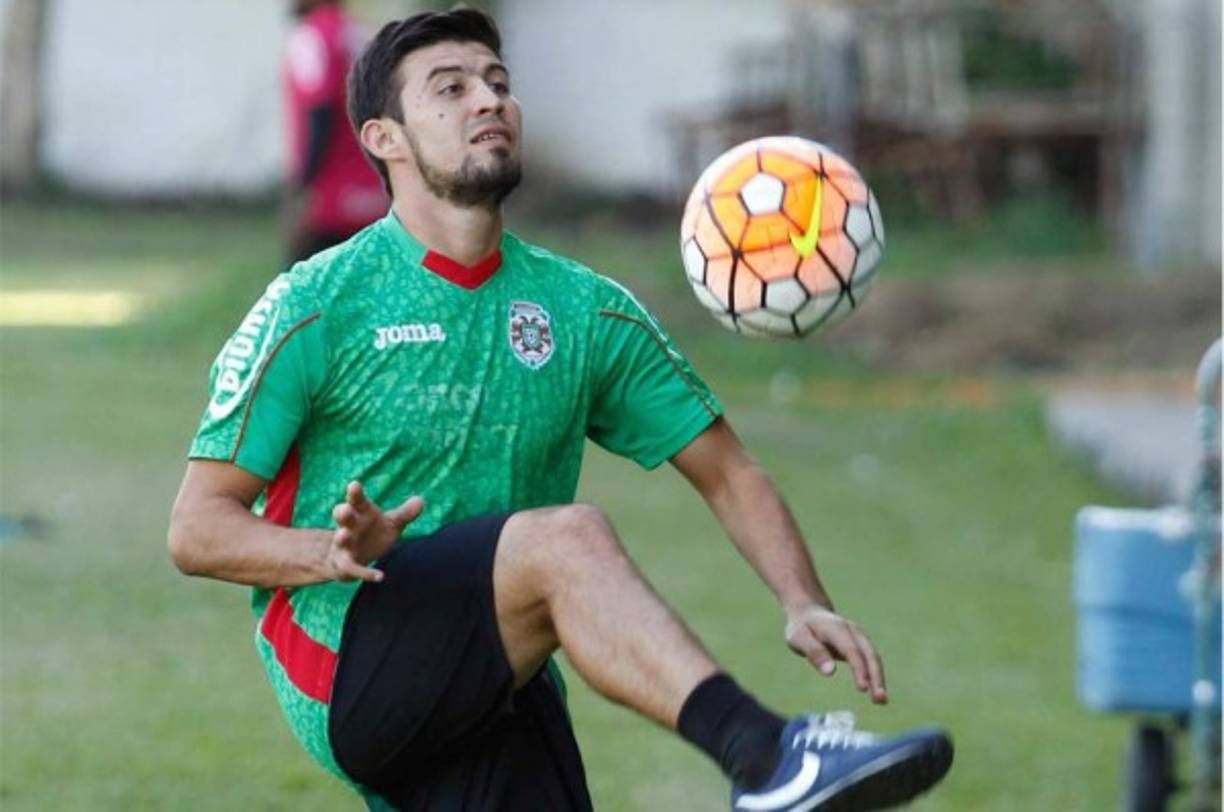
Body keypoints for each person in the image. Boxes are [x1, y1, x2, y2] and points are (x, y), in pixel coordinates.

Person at [169, 9, 953, 811]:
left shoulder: (580, 309)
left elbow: (727, 469)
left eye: (498, 83)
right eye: (451, 88)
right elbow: (196, 530)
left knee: (548, 577)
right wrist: (327, 553)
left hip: (502, 659)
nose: (489, 100)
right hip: (346, 653)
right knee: (565, 541)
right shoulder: (317, 302)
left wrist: (802, 598)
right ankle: (767, 756)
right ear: (384, 138)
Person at [284, 0, 388, 263]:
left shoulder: (313, 36)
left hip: (331, 199)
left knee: (302, 284)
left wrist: (303, 187)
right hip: (375, 194)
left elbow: (320, 113)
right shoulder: (359, 33)